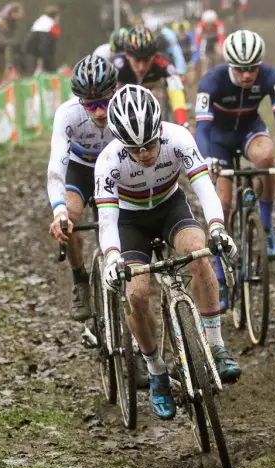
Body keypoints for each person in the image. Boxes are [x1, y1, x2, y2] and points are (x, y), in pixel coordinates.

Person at [95, 84, 242, 420]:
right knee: (137, 294)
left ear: (160, 129)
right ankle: (156, 369)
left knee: (200, 252)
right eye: (135, 148)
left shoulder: (177, 138)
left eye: (150, 143)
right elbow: (107, 219)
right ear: (121, 142)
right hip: (129, 223)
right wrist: (114, 256)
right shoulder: (107, 162)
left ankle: (216, 346)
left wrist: (217, 227)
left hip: (169, 208)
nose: (145, 152)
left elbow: (203, 187)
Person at [195, 30, 275, 309]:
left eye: (252, 68)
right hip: (217, 141)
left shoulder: (272, 77)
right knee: (223, 203)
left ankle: (266, 225)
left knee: (267, 158)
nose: (247, 76)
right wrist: (208, 158)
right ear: (230, 65)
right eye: (241, 69)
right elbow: (203, 128)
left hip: (249, 132)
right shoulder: (211, 81)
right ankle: (219, 275)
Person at [47, 55, 119, 321]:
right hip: (80, 170)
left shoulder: (126, 107)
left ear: (115, 91)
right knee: (70, 217)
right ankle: (79, 278)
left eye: (104, 102)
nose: (99, 112)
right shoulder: (67, 115)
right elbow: (56, 168)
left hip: (113, 169)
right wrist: (59, 212)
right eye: (91, 105)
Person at [113, 26, 187, 126]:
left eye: (146, 60)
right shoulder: (118, 65)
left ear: (154, 56)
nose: (141, 67)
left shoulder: (161, 62)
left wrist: (182, 123)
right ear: (127, 55)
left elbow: (176, 90)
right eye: (137, 60)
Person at [22, 5, 61, 75]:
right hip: (38, 51)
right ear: (55, 16)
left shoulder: (40, 21)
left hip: (29, 50)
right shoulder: (50, 25)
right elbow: (47, 46)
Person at [193, 10, 225, 77]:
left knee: (219, 53)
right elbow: (197, 38)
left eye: (211, 24)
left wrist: (220, 48)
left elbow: (221, 37)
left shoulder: (219, 24)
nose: (209, 26)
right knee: (205, 61)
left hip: (215, 40)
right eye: (207, 24)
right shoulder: (200, 25)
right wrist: (199, 50)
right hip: (205, 40)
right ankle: (205, 76)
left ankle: (218, 71)